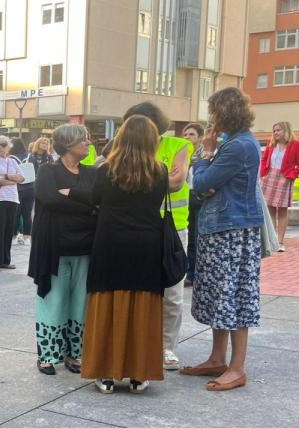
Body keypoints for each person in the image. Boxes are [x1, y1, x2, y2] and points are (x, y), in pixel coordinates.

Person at [180, 87, 264, 392]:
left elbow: (200, 183)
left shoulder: (238, 146)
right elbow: (204, 188)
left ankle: (237, 367)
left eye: (212, 111)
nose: (209, 118)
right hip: (224, 228)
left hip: (232, 231)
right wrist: (207, 180)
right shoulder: (237, 143)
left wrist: (204, 155)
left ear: (223, 112)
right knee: (221, 297)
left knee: (235, 298)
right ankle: (218, 359)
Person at [78, 115, 169, 393]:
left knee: (107, 303)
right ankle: (140, 373)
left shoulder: (106, 170)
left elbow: (95, 200)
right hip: (146, 245)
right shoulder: (160, 171)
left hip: (111, 243)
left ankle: (104, 372)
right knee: (143, 306)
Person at [122, 102, 192, 372]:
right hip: (138, 227)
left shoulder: (178, 145)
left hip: (173, 228)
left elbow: (177, 181)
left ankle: (166, 346)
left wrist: (138, 177)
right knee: (139, 291)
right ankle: (139, 342)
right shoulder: (127, 146)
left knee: (172, 293)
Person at [27, 124, 97, 375]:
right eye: (84, 140)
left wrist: (72, 195)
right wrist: (85, 204)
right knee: (53, 300)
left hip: (85, 247)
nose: (89, 144)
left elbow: (98, 201)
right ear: (68, 144)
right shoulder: (48, 170)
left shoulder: (92, 172)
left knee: (80, 303)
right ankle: (47, 354)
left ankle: (73, 354)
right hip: (54, 247)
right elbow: (49, 198)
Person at [260, 121, 299, 249]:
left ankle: (280, 242)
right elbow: (264, 159)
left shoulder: (296, 145)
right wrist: (263, 173)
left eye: (278, 130)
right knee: (269, 210)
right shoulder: (271, 145)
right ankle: (271, 240)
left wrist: (292, 175)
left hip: (284, 178)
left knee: (282, 211)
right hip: (269, 178)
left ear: (285, 131)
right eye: (274, 130)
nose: (275, 133)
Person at [0, 135, 24, 271]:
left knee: (9, 231)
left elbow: (22, 177)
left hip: (12, 198)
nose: (1, 148)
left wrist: (7, 177)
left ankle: (5, 261)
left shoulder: (12, 162)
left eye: (3, 145)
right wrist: (13, 181)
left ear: (8, 147)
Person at [182, 122, 204, 286]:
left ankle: (194, 273)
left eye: (192, 134)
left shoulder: (205, 154)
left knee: (196, 238)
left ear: (200, 137)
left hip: (199, 197)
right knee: (188, 237)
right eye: (186, 134)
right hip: (185, 197)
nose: (188, 137)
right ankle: (188, 271)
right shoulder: (183, 153)